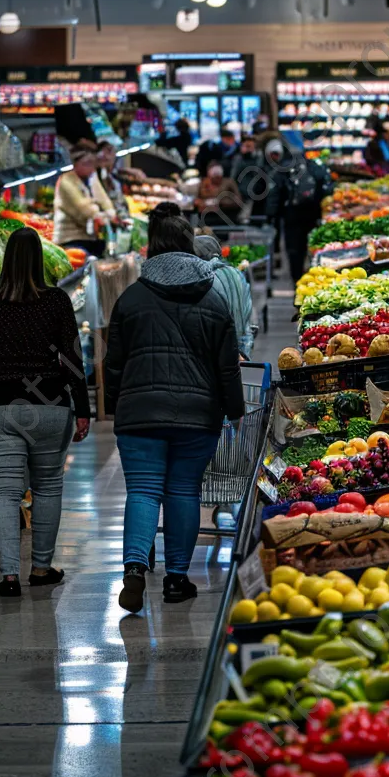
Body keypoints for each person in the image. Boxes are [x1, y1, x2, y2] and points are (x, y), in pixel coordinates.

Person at [104, 204, 245, 614]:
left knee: (144, 491)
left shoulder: (131, 299)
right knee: (183, 490)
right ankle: (176, 580)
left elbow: (113, 362)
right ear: (189, 246)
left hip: (139, 414)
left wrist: (117, 403)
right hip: (197, 416)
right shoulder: (214, 299)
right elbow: (227, 364)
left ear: (152, 249)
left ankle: (134, 567)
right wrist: (234, 409)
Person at [0, 228, 91, 598]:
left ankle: (9, 575)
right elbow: (74, 359)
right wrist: (83, 409)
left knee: (4, 492)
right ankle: (41, 568)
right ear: (38, 261)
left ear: (6, 260)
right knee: (47, 488)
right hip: (48, 405)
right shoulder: (57, 301)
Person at [270, 142, 330, 283]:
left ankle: (297, 279)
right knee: (312, 245)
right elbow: (326, 188)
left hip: (292, 215)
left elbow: (275, 193)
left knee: (294, 249)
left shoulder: (283, 168)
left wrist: (272, 216)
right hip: (312, 214)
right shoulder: (313, 166)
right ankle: (313, 276)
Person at [193, 233, 255, 359]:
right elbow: (247, 311)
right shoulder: (237, 274)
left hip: (213, 353)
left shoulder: (199, 278)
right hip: (241, 350)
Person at [53, 143, 116, 256]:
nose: (91, 168)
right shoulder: (66, 181)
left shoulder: (91, 178)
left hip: (90, 237)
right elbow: (84, 208)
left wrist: (111, 213)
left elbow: (104, 199)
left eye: (93, 164)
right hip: (70, 238)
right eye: (87, 164)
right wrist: (103, 216)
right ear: (75, 164)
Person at [93, 140, 129, 219]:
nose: (107, 156)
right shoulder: (96, 177)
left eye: (111, 151)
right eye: (107, 151)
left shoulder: (113, 175)